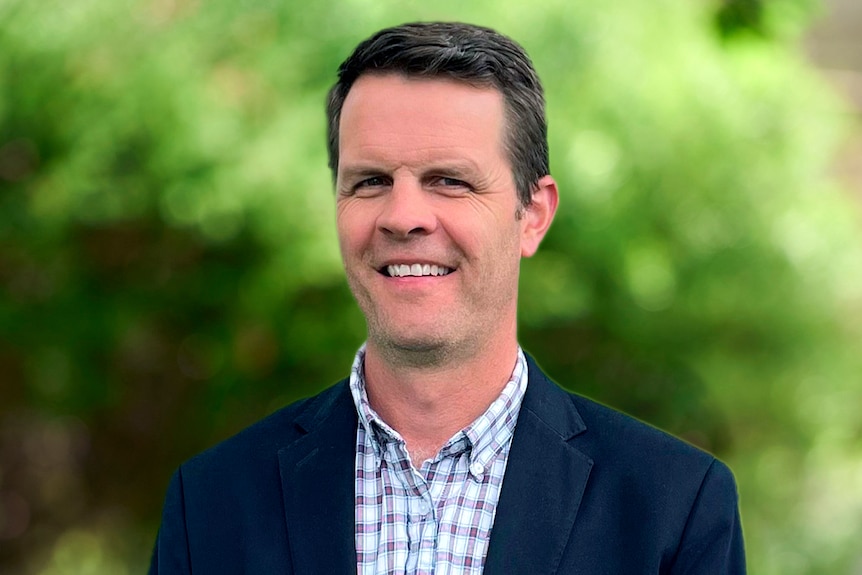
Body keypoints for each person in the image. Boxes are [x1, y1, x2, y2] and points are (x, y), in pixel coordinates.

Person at [149, 22, 746, 574]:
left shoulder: (675, 509)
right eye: (370, 182)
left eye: (449, 181)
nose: (403, 217)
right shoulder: (209, 506)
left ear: (533, 215)